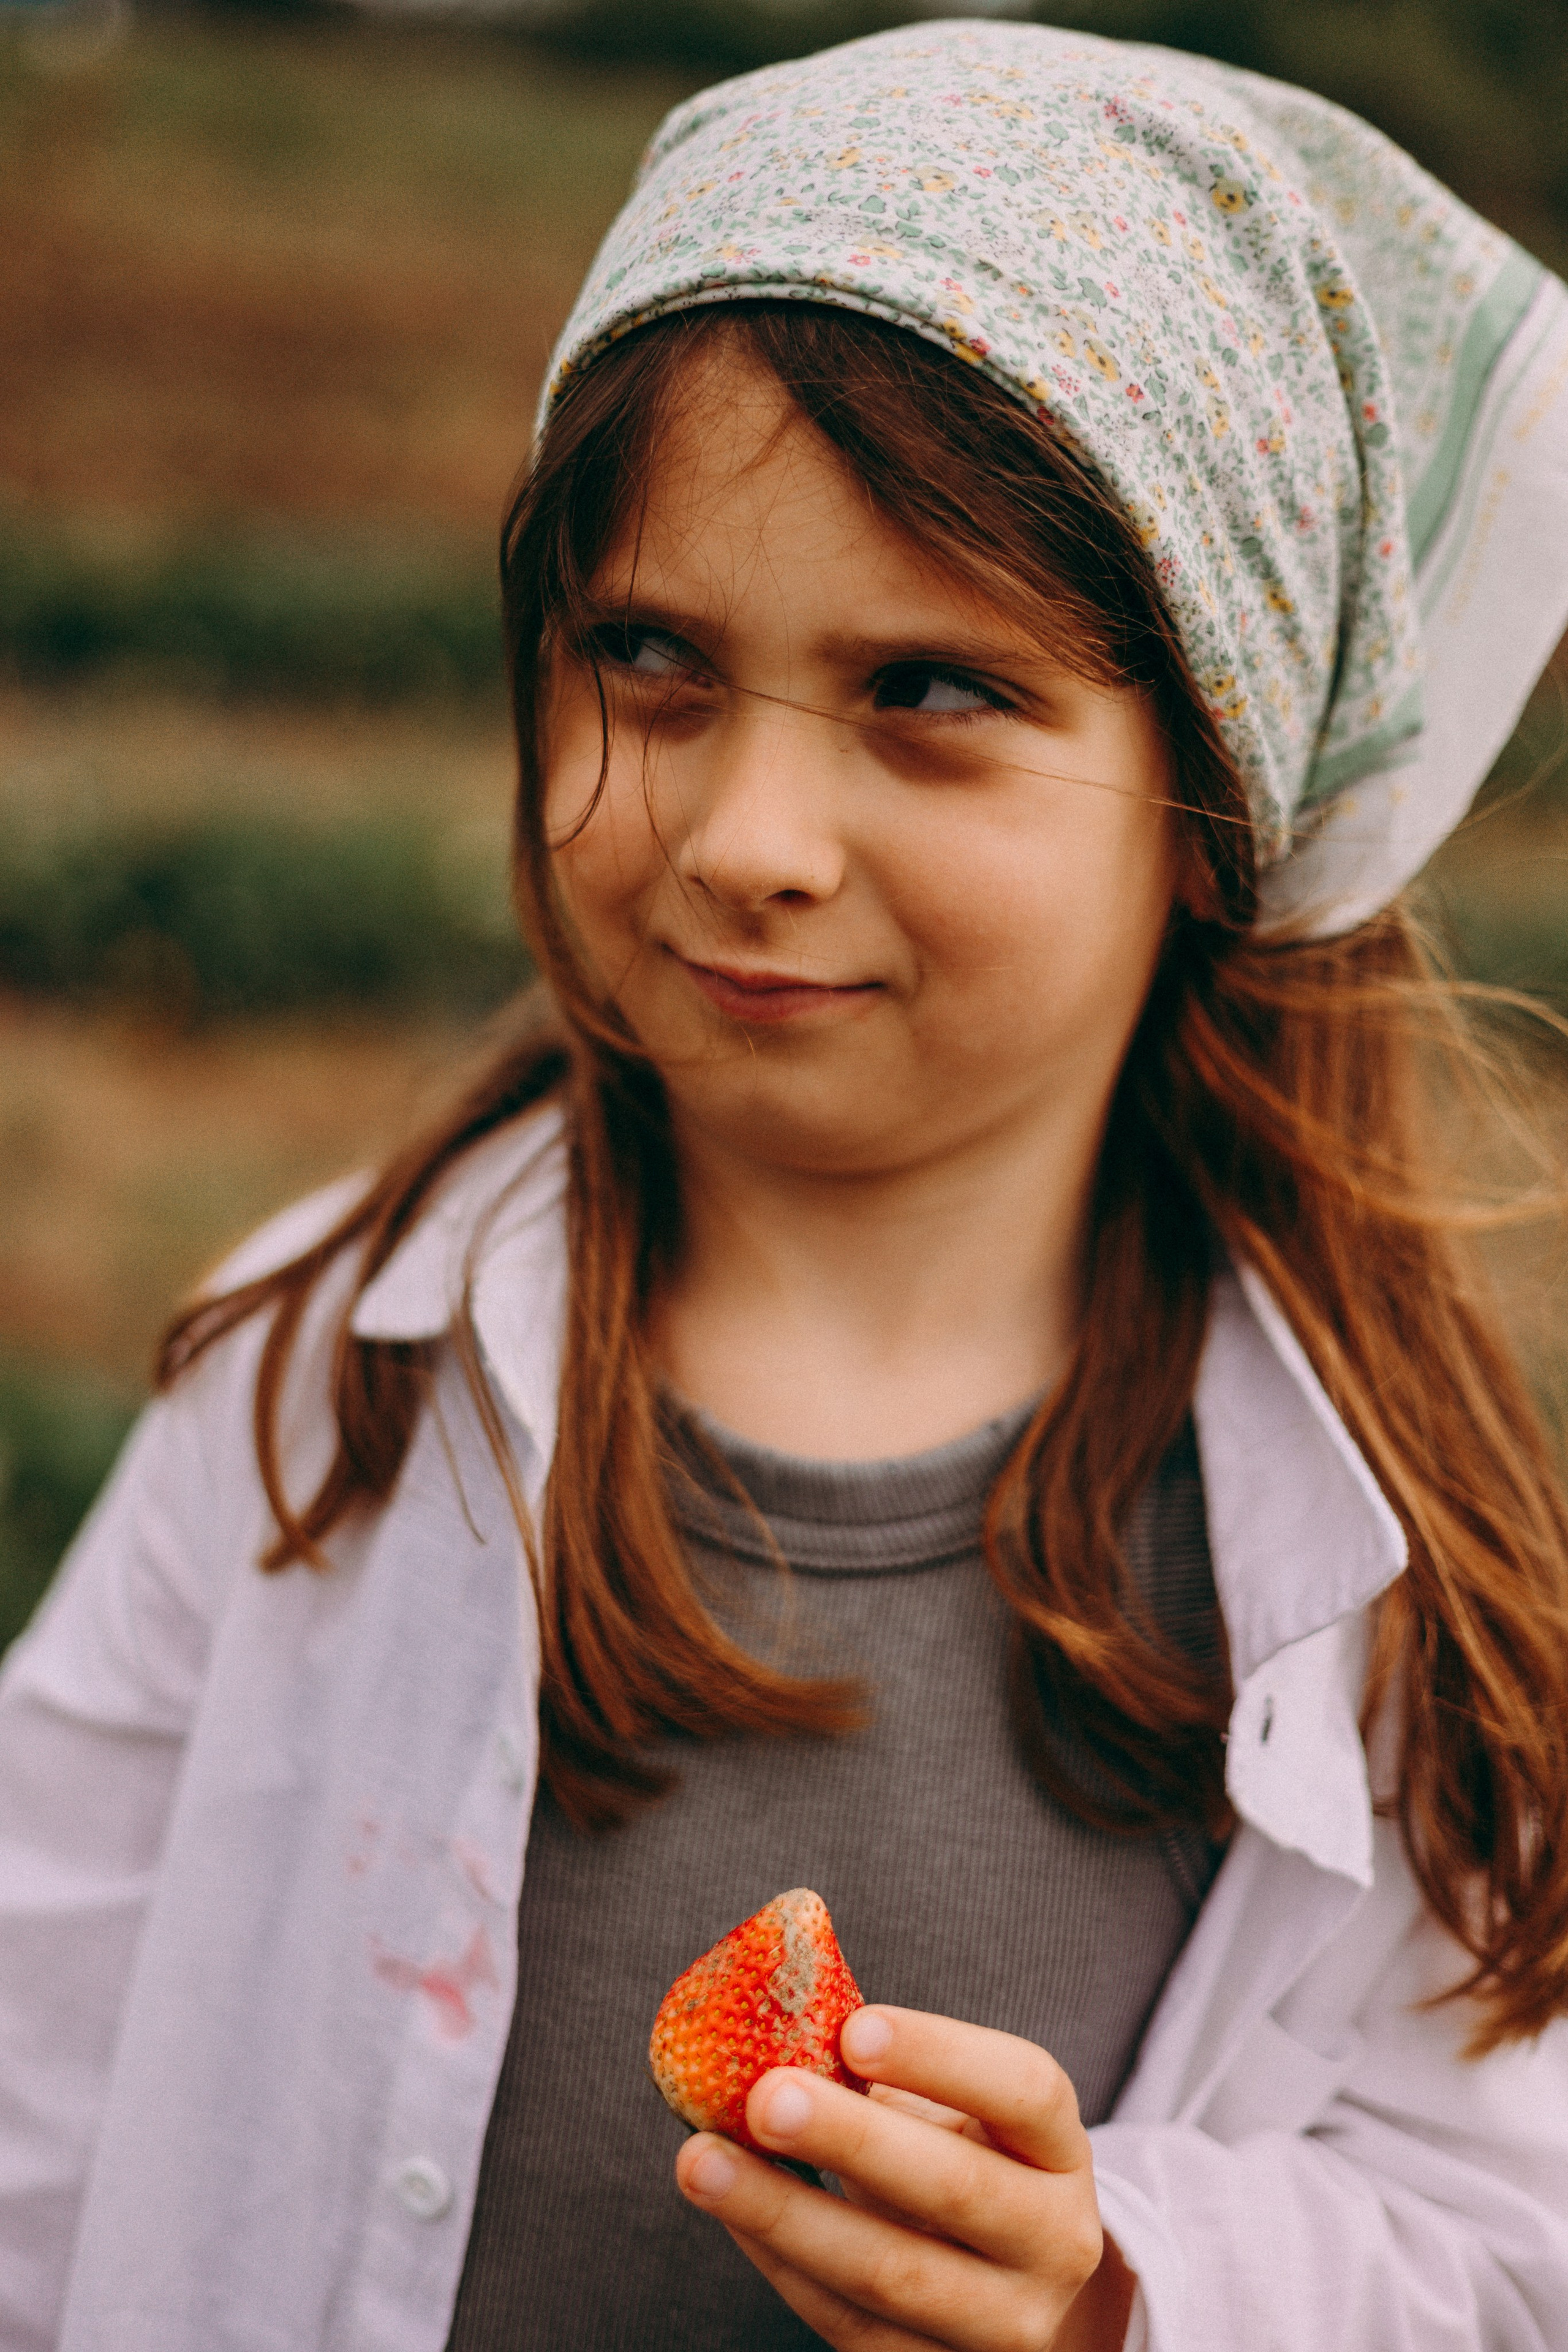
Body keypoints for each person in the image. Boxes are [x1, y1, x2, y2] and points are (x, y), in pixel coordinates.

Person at [4, 18, 1568, 2351]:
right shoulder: (322, 1375)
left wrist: (1129, 2288)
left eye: (928, 693)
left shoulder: (1380, 1562)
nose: (747, 840)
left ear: (1214, 800)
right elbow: (35, 2081)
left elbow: (1502, 2239)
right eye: (651, 658)